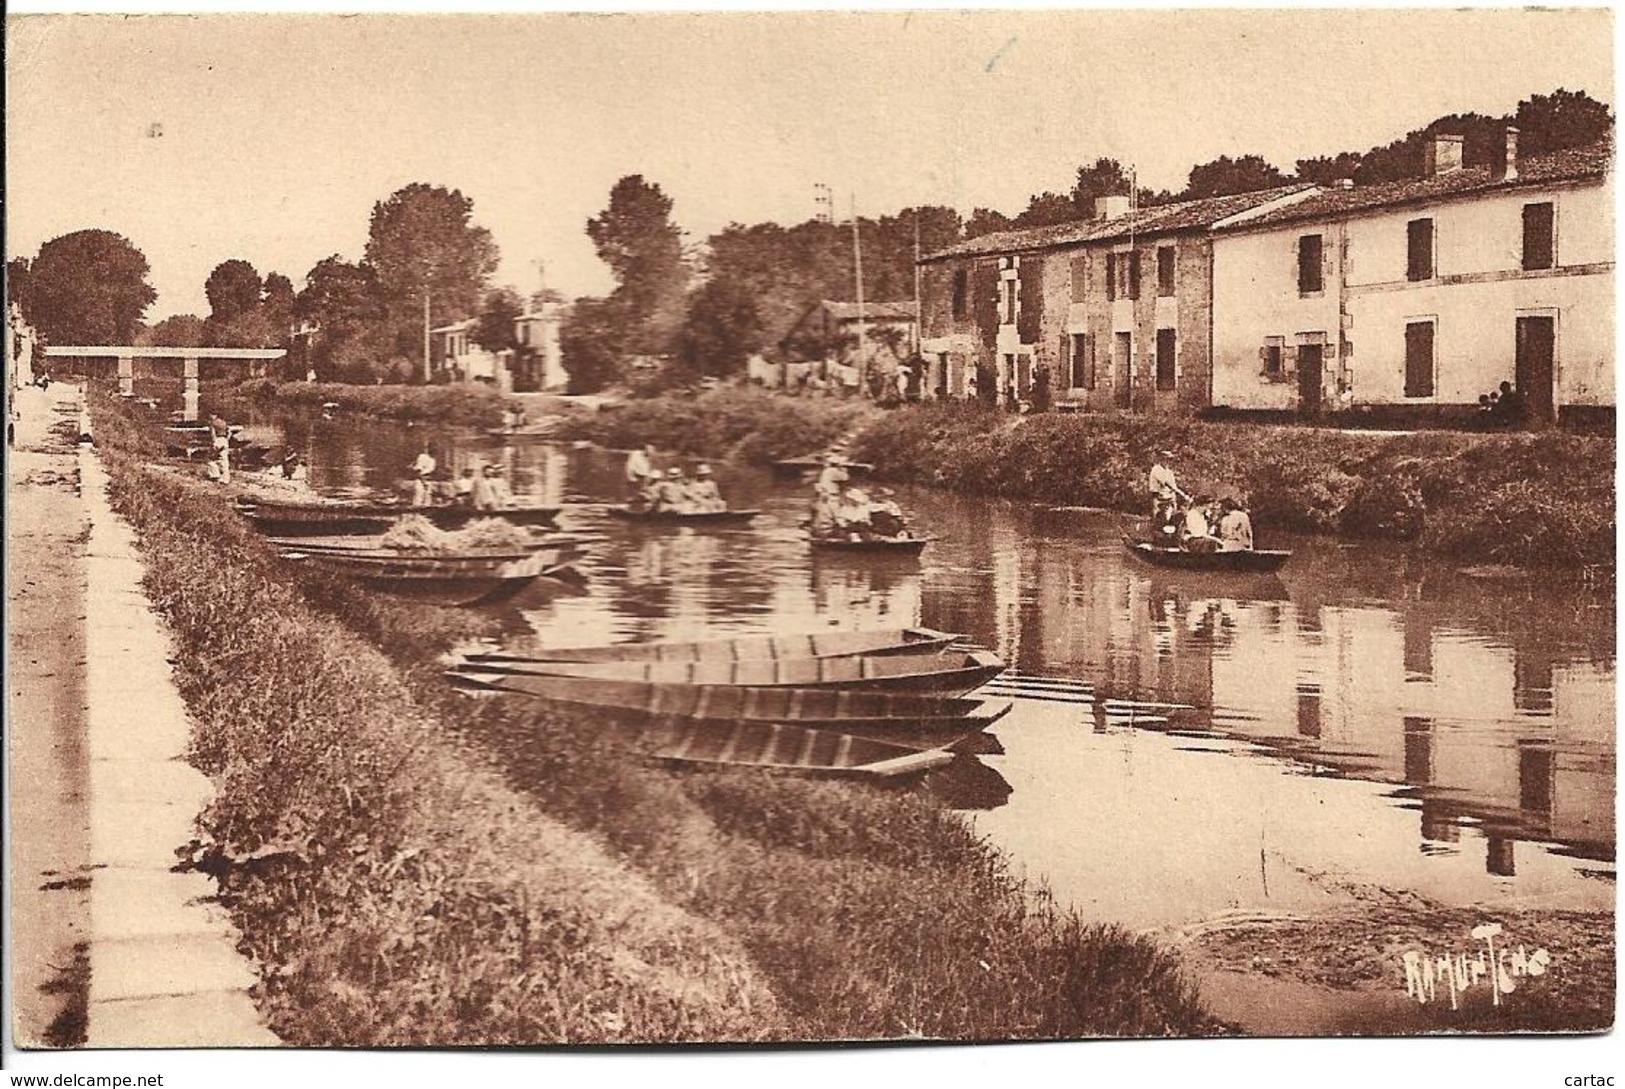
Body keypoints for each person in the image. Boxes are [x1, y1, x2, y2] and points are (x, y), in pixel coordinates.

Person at [1148, 453, 1182, 534]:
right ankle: (1154, 533)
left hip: (1169, 497)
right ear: (1161, 459)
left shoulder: (1169, 471)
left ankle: (1169, 535)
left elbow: (1173, 486)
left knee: (1171, 515)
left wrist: (1174, 501)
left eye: (1170, 459)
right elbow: (1166, 483)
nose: (1168, 461)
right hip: (1158, 497)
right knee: (1157, 515)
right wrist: (1181, 493)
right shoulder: (1156, 469)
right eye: (1166, 459)